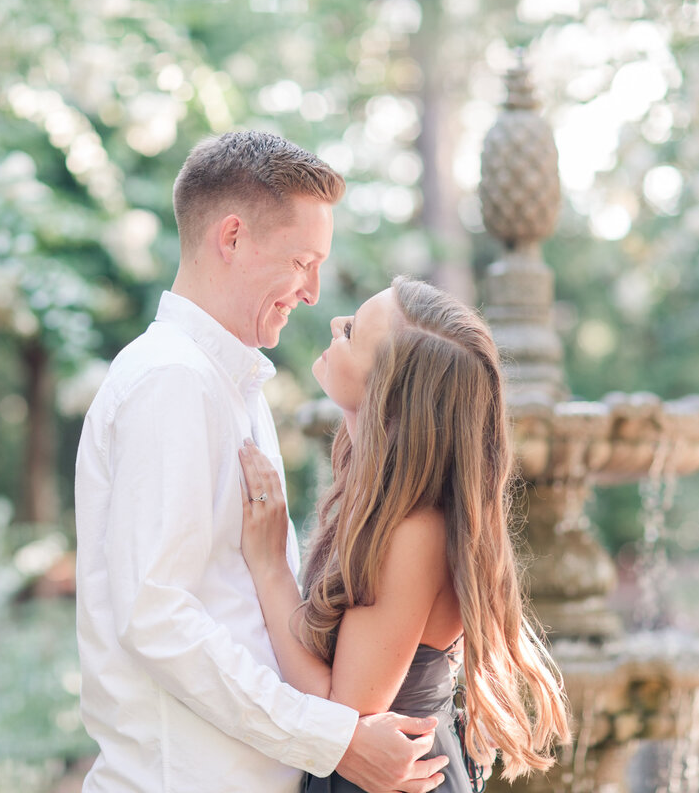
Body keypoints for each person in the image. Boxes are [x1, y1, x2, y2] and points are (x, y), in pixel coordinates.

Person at [74, 132, 450, 793]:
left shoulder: (235, 388)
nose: (312, 292)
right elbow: (156, 615)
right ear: (233, 238)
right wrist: (332, 740)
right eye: (303, 261)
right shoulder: (171, 381)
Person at [238, 278, 573, 792]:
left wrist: (268, 567)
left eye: (350, 332)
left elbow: (337, 716)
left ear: (385, 393)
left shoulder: (412, 532)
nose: (334, 323)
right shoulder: (390, 506)